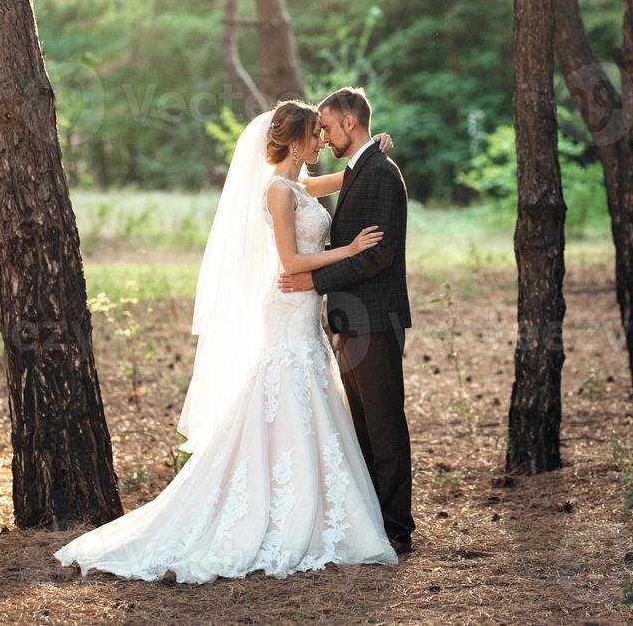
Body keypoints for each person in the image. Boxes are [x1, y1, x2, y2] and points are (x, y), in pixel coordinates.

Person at [54, 101, 399, 583]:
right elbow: (290, 264)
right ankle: (268, 504)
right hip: (289, 302)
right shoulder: (278, 191)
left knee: (308, 397)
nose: (322, 140)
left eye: (324, 132)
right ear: (297, 141)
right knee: (283, 394)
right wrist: (349, 249)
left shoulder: (298, 185)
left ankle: (313, 503)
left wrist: (372, 147)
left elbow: (347, 178)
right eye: (315, 134)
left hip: (305, 312)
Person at [278, 86, 414, 555]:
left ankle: (397, 527)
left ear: (350, 123)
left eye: (329, 127)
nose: (325, 135)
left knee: (383, 424)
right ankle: (375, 520)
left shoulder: (379, 174)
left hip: (375, 318)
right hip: (349, 319)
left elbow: (378, 255)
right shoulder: (361, 169)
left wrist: (315, 283)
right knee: (362, 426)